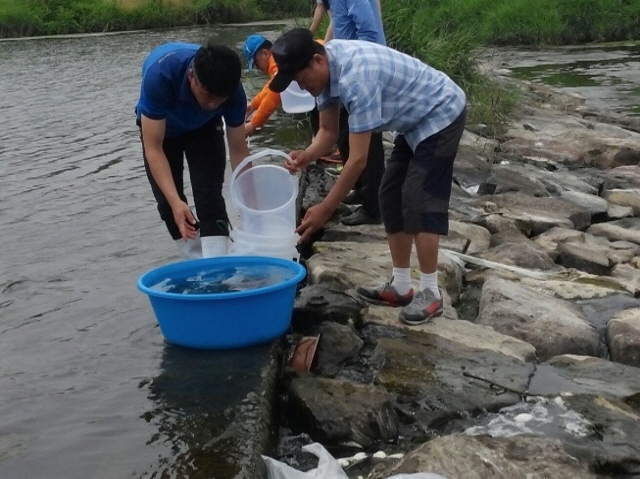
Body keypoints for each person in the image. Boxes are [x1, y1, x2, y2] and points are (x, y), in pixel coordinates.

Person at [269, 29, 467, 325]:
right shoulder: (323, 76)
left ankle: (431, 292)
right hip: (413, 122)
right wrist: (307, 156)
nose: (302, 86)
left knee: (418, 197)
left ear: (317, 60)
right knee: (389, 192)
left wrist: (326, 209)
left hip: (440, 110)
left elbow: (358, 160)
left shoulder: (356, 79)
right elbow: (328, 132)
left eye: (300, 79)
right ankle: (401, 285)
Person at [136, 40, 250, 259]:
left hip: (205, 128)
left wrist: (251, 203)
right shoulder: (160, 76)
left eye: (220, 100)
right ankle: (196, 261)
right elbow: (154, 149)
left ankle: (217, 268)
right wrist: (176, 201)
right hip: (164, 132)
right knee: (171, 206)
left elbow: (238, 149)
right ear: (191, 77)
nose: (214, 105)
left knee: (209, 197)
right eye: (208, 96)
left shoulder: (233, 92)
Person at [324, 0, 387, 226]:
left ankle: (374, 207)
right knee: (345, 137)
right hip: (347, 68)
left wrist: (359, 69)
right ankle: (361, 189)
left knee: (369, 142)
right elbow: (338, 23)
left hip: (362, 72)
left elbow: (369, 31)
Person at [242, 34, 280, 137]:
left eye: (256, 63)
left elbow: (274, 95)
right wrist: (253, 105)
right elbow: (271, 87)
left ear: (265, 53)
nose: (258, 68)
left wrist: (254, 124)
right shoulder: (279, 56)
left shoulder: (278, 62)